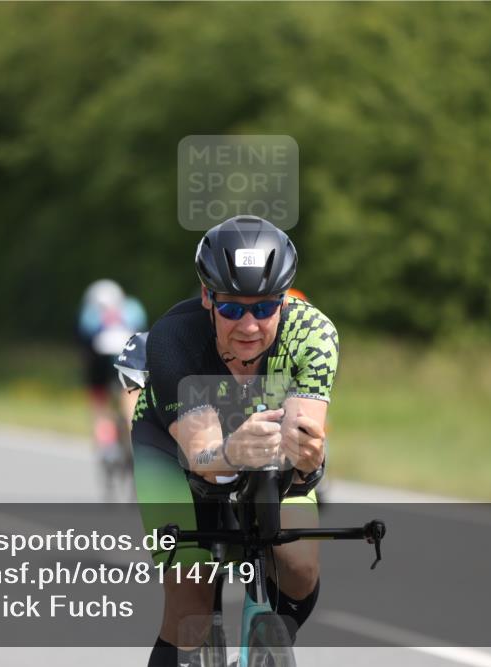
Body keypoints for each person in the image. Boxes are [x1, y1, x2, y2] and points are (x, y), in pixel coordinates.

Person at [131, 216, 338, 666]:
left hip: (264, 449)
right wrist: (232, 451)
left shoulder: (314, 335)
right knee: (191, 606)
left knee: (299, 567)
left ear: (284, 301)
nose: (249, 325)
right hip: (173, 451)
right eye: (231, 309)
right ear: (208, 296)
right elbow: (205, 458)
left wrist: (306, 455)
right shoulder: (174, 338)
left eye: (264, 308)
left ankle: (267, 638)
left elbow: (303, 438)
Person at [78, 279, 147, 496]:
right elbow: (144, 335)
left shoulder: (89, 314)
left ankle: (106, 446)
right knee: (131, 398)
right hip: (129, 360)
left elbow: (81, 342)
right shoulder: (133, 309)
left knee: (99, 406)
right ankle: (136, 435)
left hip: (98, 362)